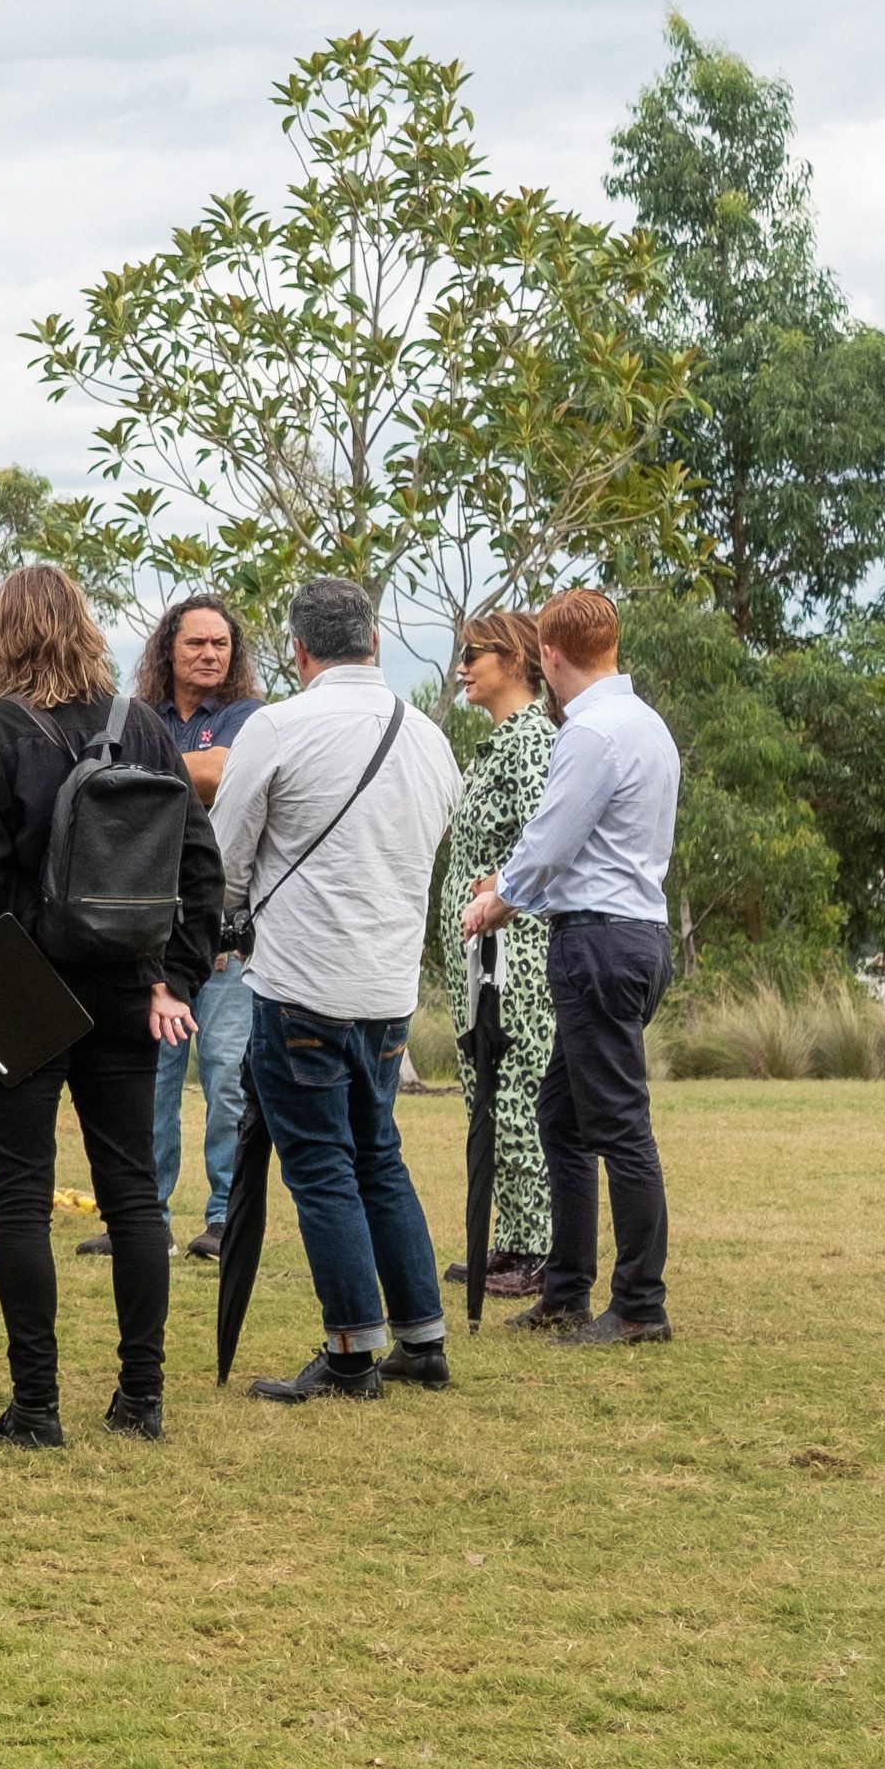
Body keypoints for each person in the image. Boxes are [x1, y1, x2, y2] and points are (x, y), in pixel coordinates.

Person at [0, 563, 217, 1448]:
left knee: (21, 1200)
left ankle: (35, 1407)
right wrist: (174, 977)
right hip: (126, 978)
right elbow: (200, 866)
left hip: (23, 978)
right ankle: (142, 1398)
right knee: (133, 1195)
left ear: (4, 634)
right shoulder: (139, 723)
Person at [209, 576, 463, 1405]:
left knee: (320, 1166)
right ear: (377, 642)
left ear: (298, 649)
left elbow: (225, 858)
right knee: (378, 1156)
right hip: (389, 986)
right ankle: (420, 1338)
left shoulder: (279, 726)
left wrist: (227, 928)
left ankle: (353, 1351)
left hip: (302, 979)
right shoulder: (428, 737)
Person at [461, 586, 679, 1346]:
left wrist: (497, 901)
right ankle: (564, 1289)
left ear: (549, 656)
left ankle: (640, 1304)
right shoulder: (646, 725)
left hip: (597, 942)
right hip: (638, 933)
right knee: (562, 1112)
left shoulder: (589, 735)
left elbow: (551, 841)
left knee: (618, 1124)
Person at [97, 593, 265, 1266]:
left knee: (226, 1079)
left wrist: (150, 770)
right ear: (168, 648)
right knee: (149, 1085)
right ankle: (145, 1217)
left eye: (220, 645)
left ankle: (225, 1219)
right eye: (195, 643)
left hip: (224, 934)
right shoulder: (138, 715)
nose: (208, 655)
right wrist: (179, 772)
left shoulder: (251, 718)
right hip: (146, 933)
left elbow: (225, 776)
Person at [443, 610, 560, 1296]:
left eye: (474, 653)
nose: (463, 665)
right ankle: (509, 1238)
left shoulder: (532, 744)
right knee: (488, 1091)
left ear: (514, 660)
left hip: (515, 950)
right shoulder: (496, 744)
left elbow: (543, 845)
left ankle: (536, 1250)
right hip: (479, 951)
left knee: (516, 1090)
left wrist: (500, 888)